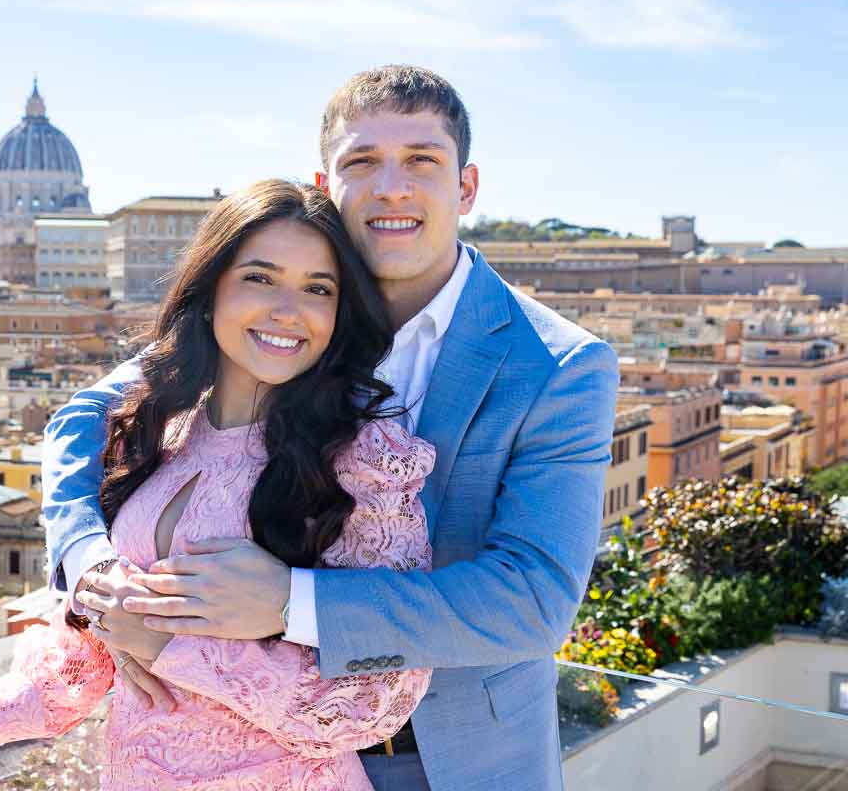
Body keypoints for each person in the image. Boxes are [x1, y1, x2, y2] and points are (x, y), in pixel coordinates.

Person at [37, 65, 619, 790]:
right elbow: (82, 417)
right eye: (362, 162)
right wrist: (91, 568)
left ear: (466, 187)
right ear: (326, 186)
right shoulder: (289, 317)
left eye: (422, 162)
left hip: (457, 762)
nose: (392, 188)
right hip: (255, 753)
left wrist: (289, 602)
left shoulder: (562, 365)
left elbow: (533, 600)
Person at [0, 179, 438, 790]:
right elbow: (86, 658)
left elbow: (378, 695)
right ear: (211, 287)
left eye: (317, 289)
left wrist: (171, 648)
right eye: (260, 277)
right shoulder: (157, 435)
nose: (287, 310)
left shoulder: (364, 461)